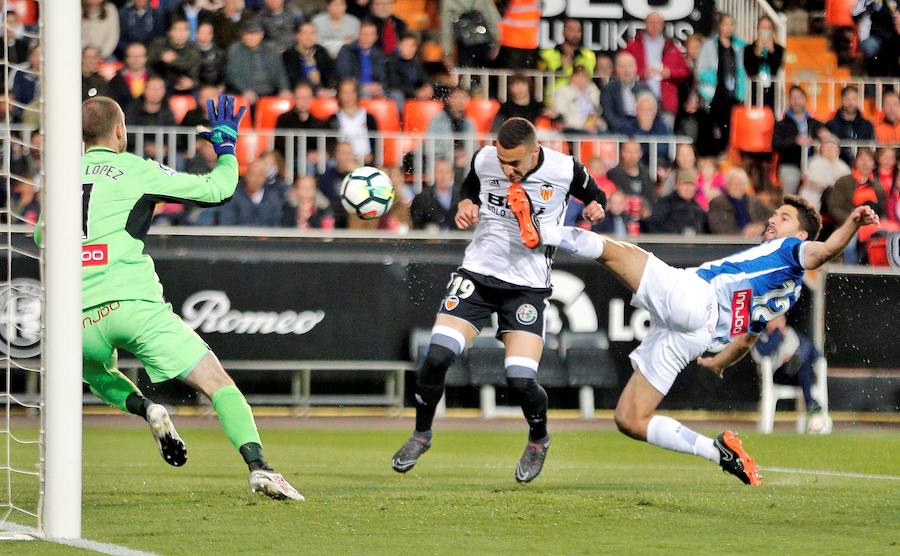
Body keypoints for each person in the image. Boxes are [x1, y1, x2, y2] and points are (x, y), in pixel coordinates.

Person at [50, 94, 302, 500]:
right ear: (120, 131)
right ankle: (260, 468)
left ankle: (147, 409)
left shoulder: (60, 177)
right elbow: (218, 190)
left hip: (77, 314)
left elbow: (44, 237)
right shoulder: (135, 169)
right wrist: (225, 150)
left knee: (97, 375)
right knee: (217, 383)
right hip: (132, 304)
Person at [532, 194, 880, 485]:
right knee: (630, 419)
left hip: (696, 299)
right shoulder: (785, 294)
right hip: (696, 336)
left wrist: (852, 221)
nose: (773, 220)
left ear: (801, 235)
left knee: (615, 250)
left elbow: (824, 251)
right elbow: (745, 341)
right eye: (774, 214)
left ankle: (538, 229)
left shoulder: (791, 250)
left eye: (784, 217)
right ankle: (720, 452)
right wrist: (717, 362)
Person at [391, 117, 607, 482]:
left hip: (527, 287)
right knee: (437, 356)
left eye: (515, 164)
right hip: (478, 274)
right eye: (502, 162)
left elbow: (597, 197)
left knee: (520, 378)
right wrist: (464, 205)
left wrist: (595, 209)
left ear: (535, 151)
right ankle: (421, 434)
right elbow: (469, 189)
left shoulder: (565, 169)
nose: (507, 170)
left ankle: (539, 438)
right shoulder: (485, 158)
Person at [750, 315, 826, 426]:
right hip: (776, 375)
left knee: (803, 360)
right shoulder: (760, 337)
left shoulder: (791, 334)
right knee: (802, 365)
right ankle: (810, 403)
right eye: (775, 320)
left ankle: (812, 410)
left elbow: (815, 353)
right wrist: (777, 335)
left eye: (781, 320)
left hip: (796, 374)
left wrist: (796, 357)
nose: (779, 323)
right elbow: (765, 354)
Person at [622, 11, 690, 122]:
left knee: (665, 137)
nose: (654, 25)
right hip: (639, 100)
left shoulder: (671, 47)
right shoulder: (633, 46)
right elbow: (621, 69)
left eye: (657, 22)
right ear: (645, 24)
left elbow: (685, 71)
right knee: (640, 137)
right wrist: (642, 73)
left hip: (665, 102)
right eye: (651, 22)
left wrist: (670, 73)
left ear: (663, 25)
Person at [697, 13, 747, 155]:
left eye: (731, 24)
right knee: (711, 129)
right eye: (725, 24)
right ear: (719, 26)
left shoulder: (739, 46)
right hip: (714, 94)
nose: (728, 27)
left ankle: (726, 157)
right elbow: (700, 70)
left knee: (730, 131)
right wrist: (714, 78)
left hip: (733, 95)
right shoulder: (709, 45)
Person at [773, 85, 826, 195]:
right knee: (790, 185)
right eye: (793, 98)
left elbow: (826, 136)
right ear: (789, 100)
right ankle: (787, 210)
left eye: (799, 97)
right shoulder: (781, 124)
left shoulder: (814, 123)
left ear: (805, 99)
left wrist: (821, 137)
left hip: (813, 163)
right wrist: (795, 141)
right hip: (790, 164)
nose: (796, 101)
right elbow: (776, 145)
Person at [225, 20, 292, 104]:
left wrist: (284, 89)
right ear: (242, 36)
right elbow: (232, 74)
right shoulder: (235, 49)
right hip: (245, 93)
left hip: (270, 92)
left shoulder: (271, 48)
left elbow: (280, 72)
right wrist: (245, 90)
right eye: (248, 34)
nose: (251, 37)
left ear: (261, 35)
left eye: (255, 34)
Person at [274, 82, 328, 165]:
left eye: (307, 97)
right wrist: (306, 155)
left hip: (315, 162)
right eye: (300, 97)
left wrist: (320, 154)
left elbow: (327, 145)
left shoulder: (319, 123)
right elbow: (281, 145)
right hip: (289, 160)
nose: (304, 101)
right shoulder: (284, 119)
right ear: (294, 99)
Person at [328, 78, 378, 163]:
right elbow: (331, 145)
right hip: (341, 163)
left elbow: (376, 144)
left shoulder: (369, 118)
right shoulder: (333, 119)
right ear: (339, 95)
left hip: (366, 163)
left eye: (352, 92)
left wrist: (371, 156)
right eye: (344, 92)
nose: (348, 96)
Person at [708, 168, 771, 236]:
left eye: (740, 183)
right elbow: (717, 227)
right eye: (733, 183)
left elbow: (772, 217)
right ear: (727, 185)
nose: (737, 187)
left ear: (746, 185)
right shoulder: (717, 203)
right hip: (730, 243)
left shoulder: (755, 201)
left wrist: (761, 227)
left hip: (756, 241)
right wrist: (742, 233)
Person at [600, 52, 651, 134]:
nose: (626, 70)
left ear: (636, 68)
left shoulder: (645, 88)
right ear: (616, 69)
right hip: (620, 128)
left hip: (641, 126)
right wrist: (627, 128)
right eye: (622, 66)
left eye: (630, 66)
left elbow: (652, 111)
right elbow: (608, 115)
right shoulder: (609, 89)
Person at [645, 169, 707, 234]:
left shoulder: (698, 208)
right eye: (684, 184)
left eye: (691, 185)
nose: (688, 188)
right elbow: (651, 224)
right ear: (677, 185)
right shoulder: (665, 203)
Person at [440, 0, 500, 68]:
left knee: (467, 74)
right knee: (486, 74)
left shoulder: (448, 2)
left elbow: (446, 28)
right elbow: (492, 19)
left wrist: (447, 53)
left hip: (463, 44)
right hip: (484, 42)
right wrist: (496, 42)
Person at [539, 18, 596, 88]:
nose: (575, 34)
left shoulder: (589, 55)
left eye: (578, 30)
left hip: (579, 97)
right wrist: (561, 68)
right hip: (554, 97)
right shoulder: (546, 55)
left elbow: (590, 79)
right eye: (571, 30)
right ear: (563, 31)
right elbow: (542, 82)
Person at [148, 18, 201, 94]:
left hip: (185, 91)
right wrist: (160, 59)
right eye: (177, 30)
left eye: (185, 30)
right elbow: (148, 64)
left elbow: (197, 76)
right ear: (169, 32)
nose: (181, 33)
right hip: (159, 89)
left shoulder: (193, 51)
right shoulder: (158, 45)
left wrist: (192, 83)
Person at [335, 20, 387, 97]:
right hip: (354, 90)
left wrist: (379, 87)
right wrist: (362, 86)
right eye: (364, 34)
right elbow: (344, 75)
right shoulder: (347, 50)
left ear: (376, 38)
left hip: (376, 90)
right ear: (358, 35)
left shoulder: (379, 54)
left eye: (371, 35)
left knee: (395, 95)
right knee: (365, 94)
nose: (367, 38)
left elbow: (384, 77)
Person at [826, 85, 876, 164]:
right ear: (842, 100)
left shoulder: (867, 125)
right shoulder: (831, 125)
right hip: (837, 164)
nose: (851, 102)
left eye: (854, 99)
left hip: (862, 165)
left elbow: (871, 147)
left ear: (859, 100)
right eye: (847, 98)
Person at [742, 15, 783, 109]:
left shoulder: (778, 49)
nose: (765, 31)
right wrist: (757, 51)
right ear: (758, 29)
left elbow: (777, 66)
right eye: (763, 28)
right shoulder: (749, 49)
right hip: (754, 91)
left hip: (772, 91)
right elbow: (749, 69)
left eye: (769, 28)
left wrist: (772, 50)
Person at [801, 134, 850, 211]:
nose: (830, 150)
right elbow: (814, 182)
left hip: (837, 196)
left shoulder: (842, 166)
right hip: (816, 195)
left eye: (833, 147)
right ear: (821, 149)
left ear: (838, 150)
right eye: (827, 147)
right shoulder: (815, 163)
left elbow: (846, 183)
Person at [606, 140, 656, 216]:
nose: (632, 155)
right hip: (622, 216)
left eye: (635, 152)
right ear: (622, 153)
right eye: (628, 151)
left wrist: (646, 209)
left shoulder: (645, 173)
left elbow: (651, 197)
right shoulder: (613, 174)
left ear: (641, 154)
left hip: (644, 216)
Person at [624, 92, 671, 166]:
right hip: (636, 162)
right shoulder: (628, 126)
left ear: (655, 111)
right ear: (636, 110)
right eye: (643, 109)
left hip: (657, 163)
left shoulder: (662, 126)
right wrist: (643, 129)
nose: (646, 113)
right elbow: (629, 148)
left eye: (650, 109)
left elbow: (664, 149)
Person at [410, 159, 459, 231]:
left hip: (458, 241)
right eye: (440, 172)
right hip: (431, 241)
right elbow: (416, 225)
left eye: (447, 172)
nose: (443, 176)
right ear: (434, 174)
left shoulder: (461, 196)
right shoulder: (422, 197)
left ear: (452, 174)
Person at [551, 65, 602, 134]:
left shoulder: (593, 90)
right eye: (577, 76)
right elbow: (563, 116)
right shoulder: (564, 91)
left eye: (583, 76)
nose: (580, 79)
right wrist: (582, 126)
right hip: (572, 128)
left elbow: (598, 110)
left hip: (593, 126)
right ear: (571, 78)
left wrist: (591, 124)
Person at [108, 42, 150, 110]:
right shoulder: (116, 81)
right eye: (132, 56)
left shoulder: (154, 79)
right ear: (126, 58)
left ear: (146, 58)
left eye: (139, 56)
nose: (136, 60)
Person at [195, 20, 227, 87]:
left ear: (212, 35)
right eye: (202, 33)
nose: (205, 36)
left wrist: (220, 86)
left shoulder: (220, 53)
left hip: (215, 88)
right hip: (196, 88)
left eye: (209, 33)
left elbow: (223, 74)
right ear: (196, 34)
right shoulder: (190, 51)